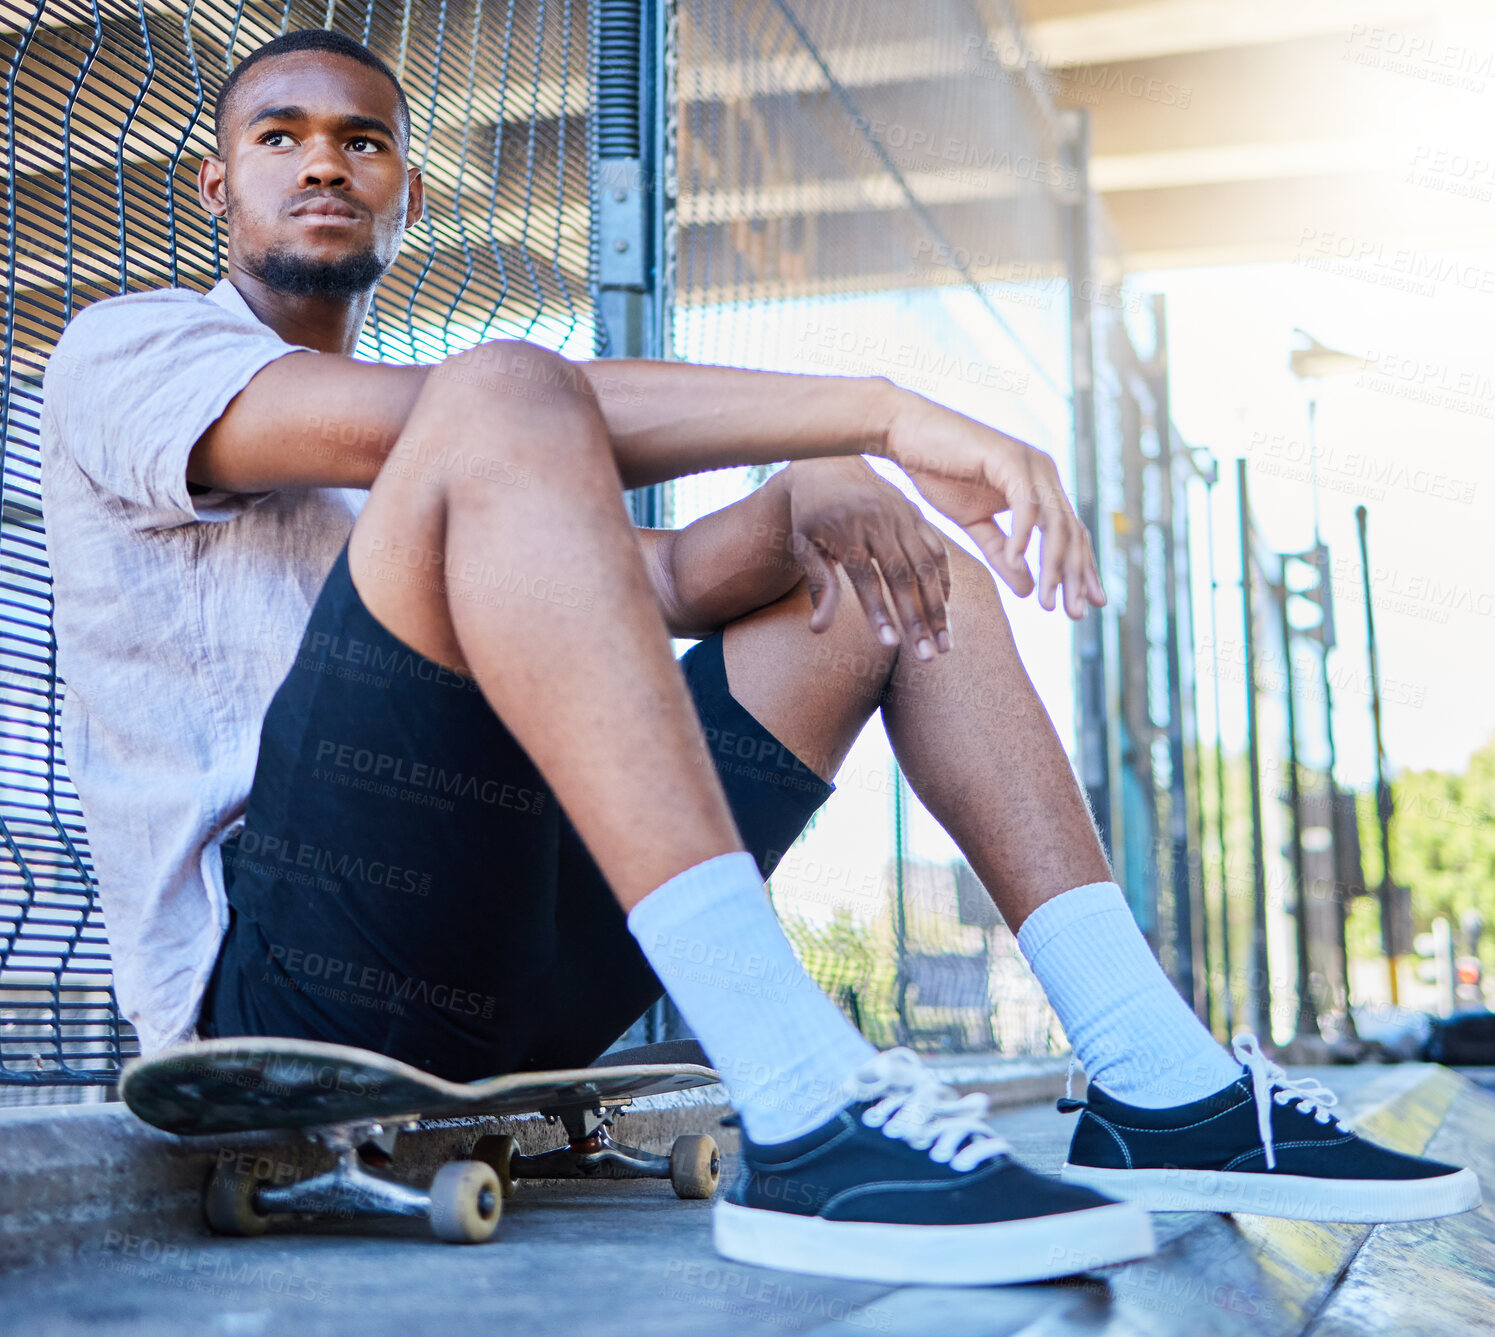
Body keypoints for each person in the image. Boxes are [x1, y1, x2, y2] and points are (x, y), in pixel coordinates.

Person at [40, 28, 1478, 1287]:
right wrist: (873, 405)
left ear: (409, 194)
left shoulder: (473, 455)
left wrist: (802, 498)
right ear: (216, 185)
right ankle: (806, 1104)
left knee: (878, 574)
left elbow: (647, 578)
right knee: (501, 390)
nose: (322, 164)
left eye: (361, 141)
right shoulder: (128, 351)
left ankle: (1160, 1078)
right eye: (277, 137)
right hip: (290, 983)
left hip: (523, 954)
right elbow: (447, 414)